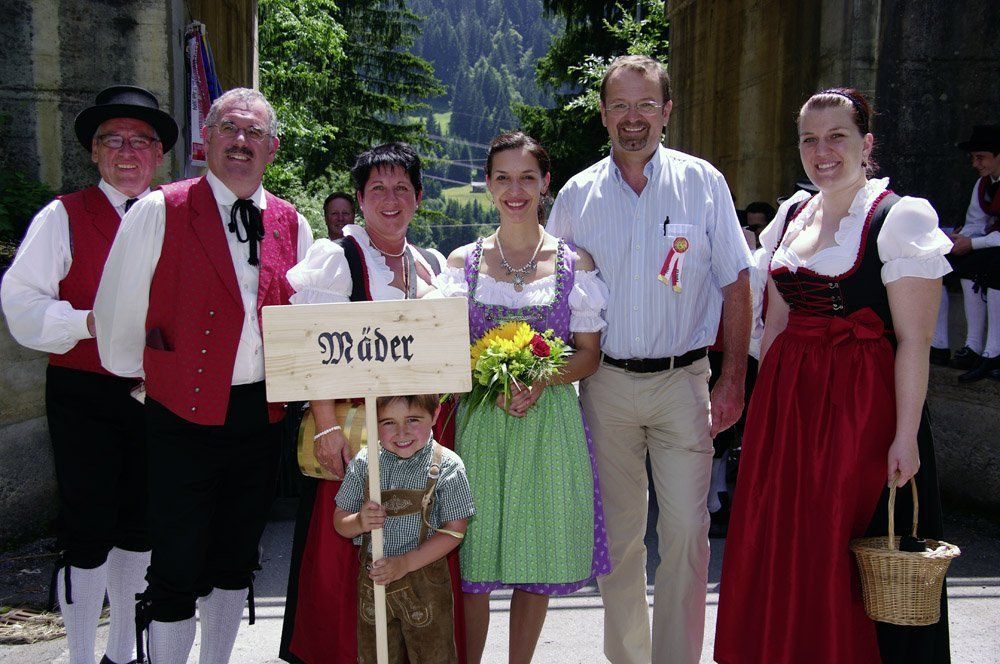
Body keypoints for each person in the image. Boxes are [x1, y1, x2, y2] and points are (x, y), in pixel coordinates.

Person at [715, 88, 953, 664]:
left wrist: (905, 437)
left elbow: (914, 341)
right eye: (809, 139)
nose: (822, 152)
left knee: (843, 543)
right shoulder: (792, 216)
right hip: (789, 405)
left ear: (866, 143)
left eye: (836, 137)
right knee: (785, 540)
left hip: (859, 409)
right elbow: (776, 325)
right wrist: (761, 414)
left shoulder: (899, 218)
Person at [92, 87, 314, 664]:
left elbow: (304, 321)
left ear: (272, 148)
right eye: (229, 129)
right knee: (176, 565)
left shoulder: (292, 222)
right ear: (206, 139)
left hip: (260, 417)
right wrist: (151, 381)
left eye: (254, 133)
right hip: (179, 415)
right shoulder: (158, 209)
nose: (241, 142)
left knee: (236, 559)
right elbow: (117, 312)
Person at [547, 55, 752, 664]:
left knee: (687, 532)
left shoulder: (702, 183)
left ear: (666, 111)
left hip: (683, 381)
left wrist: (733, 379)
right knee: (620, 539)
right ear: (603, 114)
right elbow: (551, 289)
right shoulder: (577, 195)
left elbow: (736, 283)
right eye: (619, 106)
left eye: (644, 106)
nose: (632, 119)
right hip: (606, 384)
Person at [0, 85, 176, 664]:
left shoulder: (178, 215)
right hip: (84, 390)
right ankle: (80, 655)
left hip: (158, 392)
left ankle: (121, 653)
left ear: (158, 154)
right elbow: (21, 302)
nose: (128, 152)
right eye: (113, 140)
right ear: (94, 152)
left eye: (141, 141)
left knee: (141, 525)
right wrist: (88, 322)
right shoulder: (63, 216)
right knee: (87, 528)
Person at [279, 142, 466, 664]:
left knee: (417, 545)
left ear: (419, 197)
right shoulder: (337, 259)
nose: (391, 200)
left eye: (402, 188)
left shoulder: (428, 264)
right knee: (355, 544)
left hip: (418, 438)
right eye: (378, 188)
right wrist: (325, 427)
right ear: (359, 199)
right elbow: (313, 349)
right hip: (356, 435)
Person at [433, 131, 611, 663]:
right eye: (504, 178)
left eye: (527, 178)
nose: (516, 190)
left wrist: (541, 380)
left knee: (538, 557)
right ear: (488, 184)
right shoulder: (461, 262)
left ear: (545, 183)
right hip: (479, 424)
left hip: (549, 422)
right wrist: (483, 376)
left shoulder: (574, 263)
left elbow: (589, 355)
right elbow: (445, 354)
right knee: (473, 557)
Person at [334, 393, 475, 664]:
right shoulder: (365, 463)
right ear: (373, 422)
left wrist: (406, 563)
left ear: (434, 415)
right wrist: (359, 522)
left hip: (426, 587)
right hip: (374, 585)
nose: (402, 432)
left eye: (413, 420)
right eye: (388, 422)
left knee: (434, 656)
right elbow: (340, 521)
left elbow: (456, 530)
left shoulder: (448, 466)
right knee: (376, 657)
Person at [932, 124, 1000, 380]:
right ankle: (943, 345)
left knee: (993, 268)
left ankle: (992, 351)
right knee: (938, 263)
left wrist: (972, 244)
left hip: (995, 250)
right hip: (990, 245)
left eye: (980, 157)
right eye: (973, 158)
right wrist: (959, 240)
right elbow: (976, 223)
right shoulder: (983, 184)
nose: (975, 164)